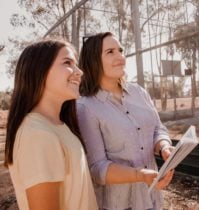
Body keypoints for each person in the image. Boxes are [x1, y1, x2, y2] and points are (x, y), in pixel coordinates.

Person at [77, 31, 174, 210]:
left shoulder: (139, 92)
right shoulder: (86, 108)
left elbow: (157, 128)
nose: (120, 57)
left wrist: (164, 147)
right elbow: (98, 169)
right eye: (110, 52)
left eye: (120, 50)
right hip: (120, 205)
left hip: (151, 197)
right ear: (93, 60)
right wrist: (140, 175)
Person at [4, 39, 98, 210]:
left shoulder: (59, 126)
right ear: (38, 71)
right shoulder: (37, 134)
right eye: (67, 62)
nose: (79, 72)